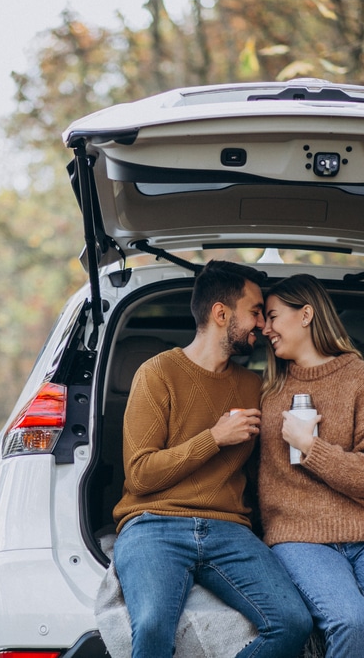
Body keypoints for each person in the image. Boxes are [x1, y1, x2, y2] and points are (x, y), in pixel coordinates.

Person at [112, 260, 312, 658]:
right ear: (221, 314)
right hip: (154, 524)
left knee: (293, 622)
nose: (262, 324)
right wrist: (214, 438)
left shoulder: (254, 385)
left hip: (229, 531)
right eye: (255, 311)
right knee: (152, 626)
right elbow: (140, 476)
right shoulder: (157, 373)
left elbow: (270, 470)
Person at [257, 273, 364, 658]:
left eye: (272, 316)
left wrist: (310, 447)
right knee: (351, 623)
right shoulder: (267, 391)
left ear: (306, 314)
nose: (264, 328)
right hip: (298, 535)